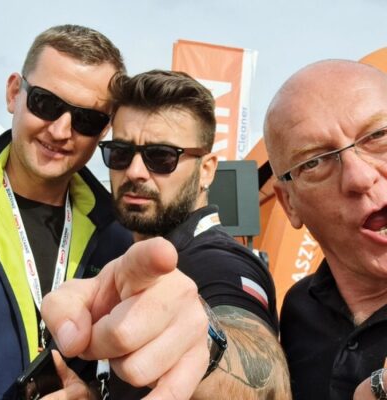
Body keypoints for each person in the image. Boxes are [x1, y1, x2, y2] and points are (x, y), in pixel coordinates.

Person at [83, 69, 292, 399]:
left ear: (206, 170)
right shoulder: (119, 252)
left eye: (161, 157)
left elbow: (263, 372)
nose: (134, 172)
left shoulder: (219, 261)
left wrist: (207, 350)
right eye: (120, 152)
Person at [0, 24, 134, 399]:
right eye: (47, 104)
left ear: (104, 130)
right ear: (14, 93)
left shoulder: (119, 238)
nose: (61, 131)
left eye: (86, 119)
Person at [263, 59, 387, 400]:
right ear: (289, 203)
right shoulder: (298, 310)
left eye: (379, 136)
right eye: (314, 161)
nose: (360, 177)